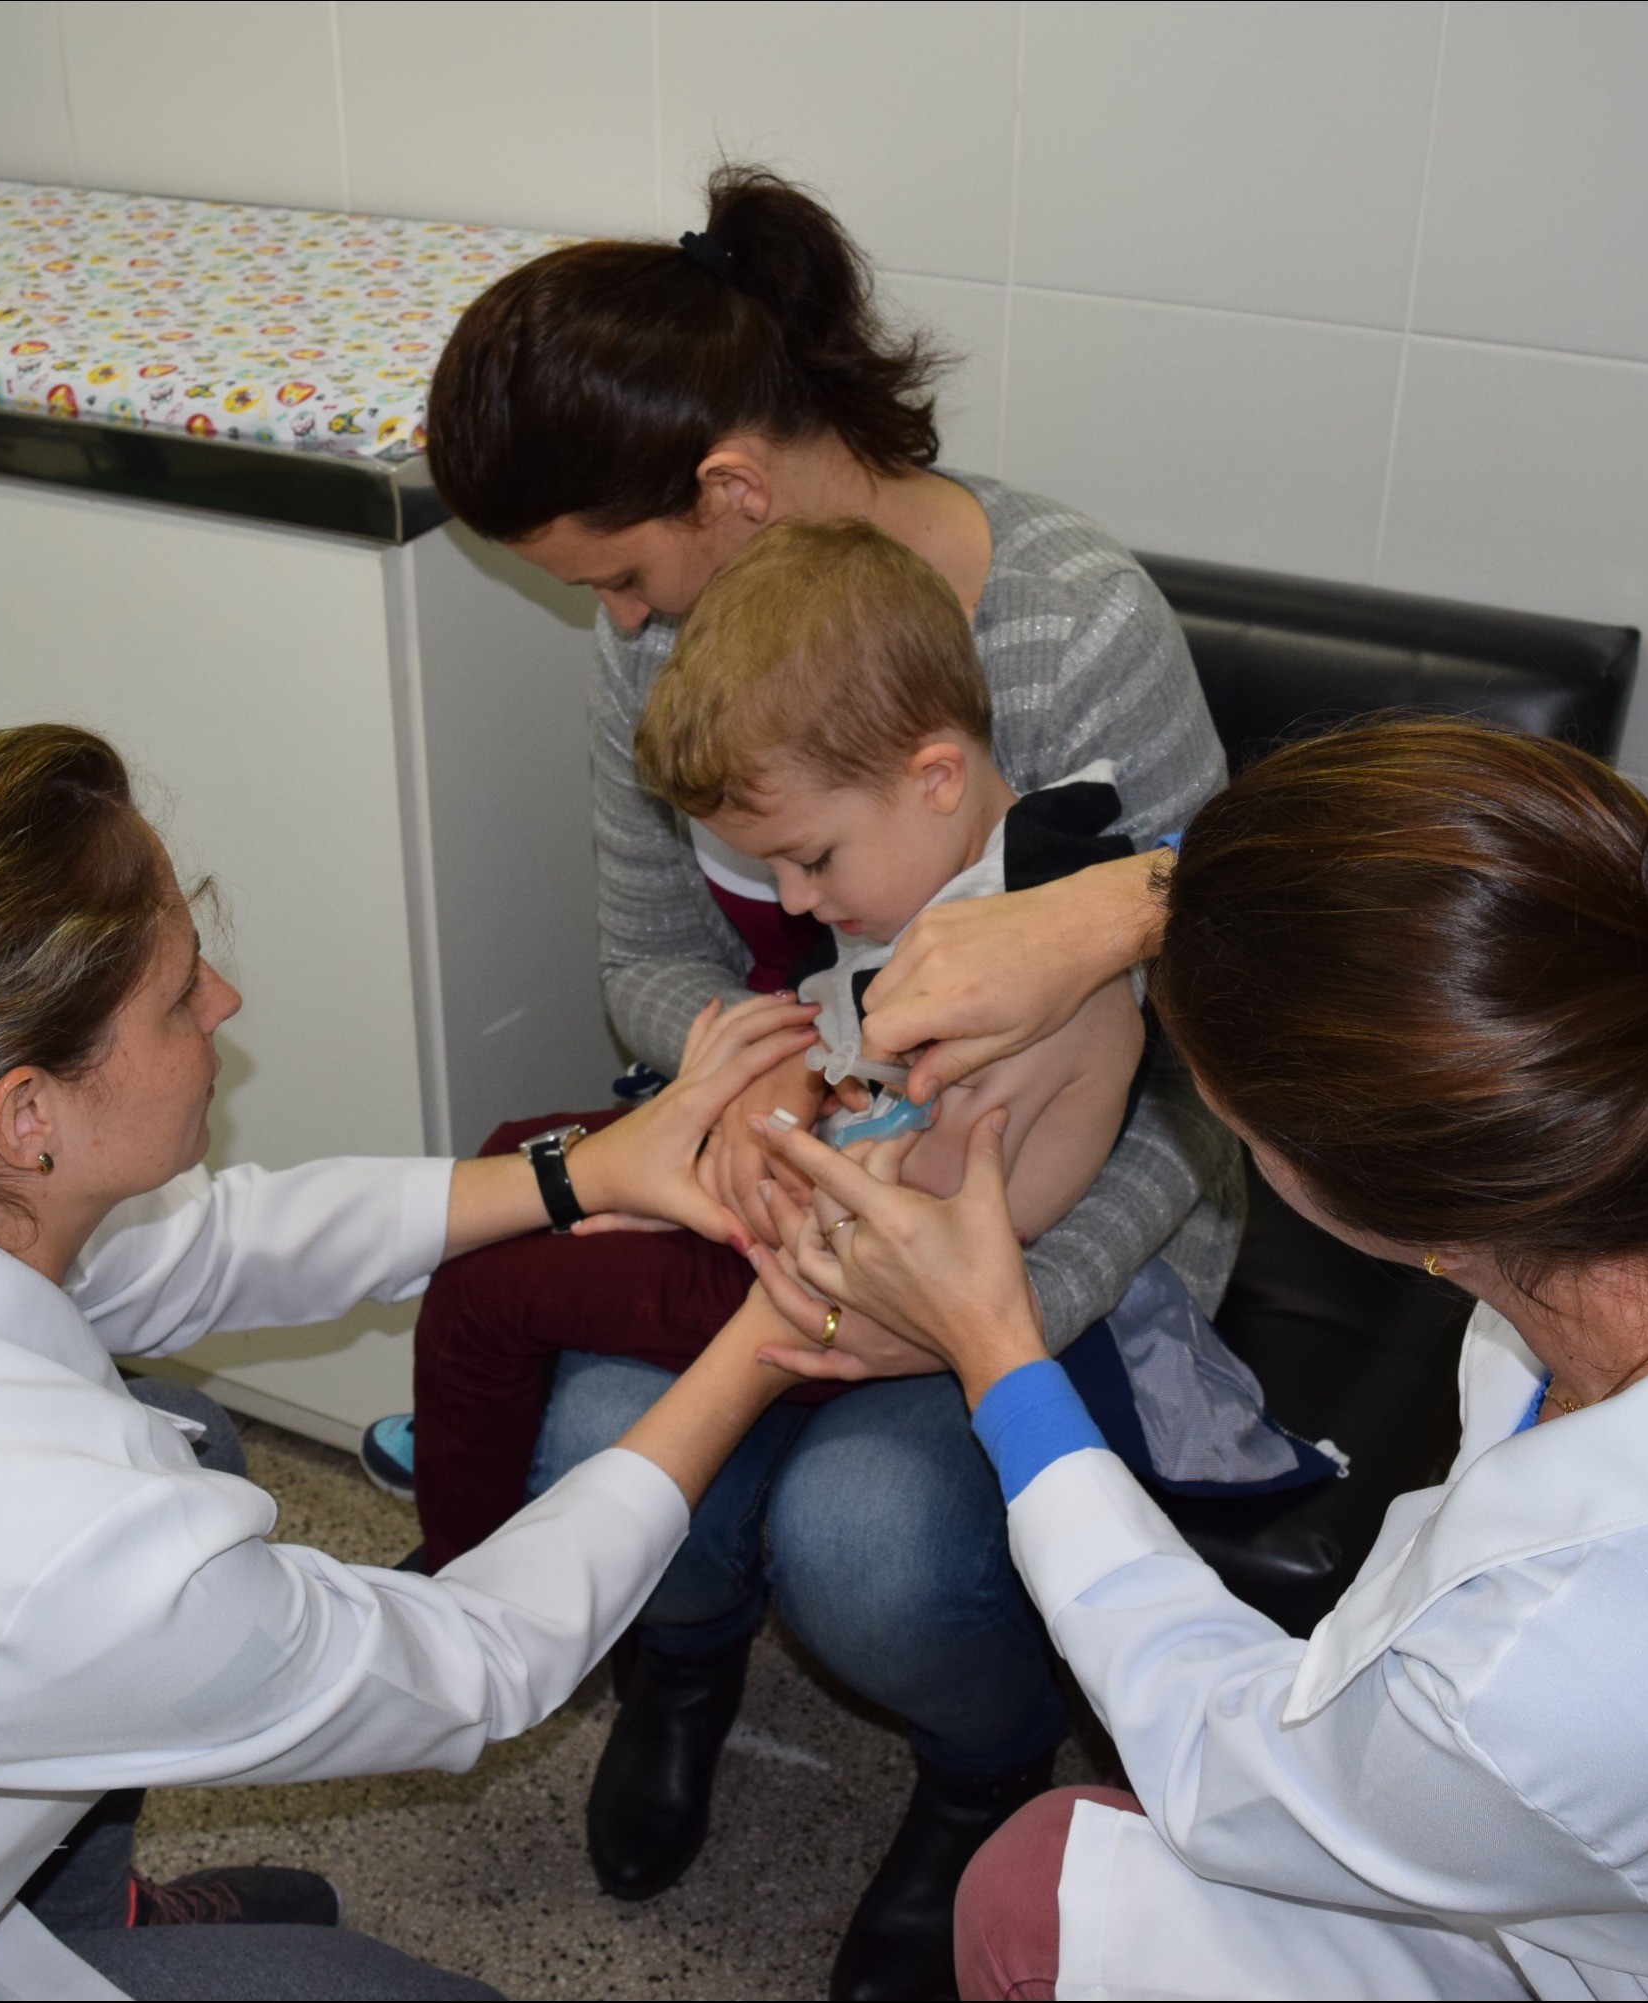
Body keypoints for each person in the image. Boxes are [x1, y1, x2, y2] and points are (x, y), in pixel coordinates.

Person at [0, 725, 829, 2002]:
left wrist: (575, 1170)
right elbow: (475, 1663)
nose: (223, 995)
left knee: (179, 1433)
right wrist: (755, 1345)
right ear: (24, 1115)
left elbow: (199, 1249)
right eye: (180, 994)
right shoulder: (40, 1541)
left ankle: (76, 1916)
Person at [752, 721, 1648, 2000]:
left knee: (1035, 1893)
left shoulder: (1562, 1659)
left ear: (1374, 1209)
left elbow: (1218, 1749)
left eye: (1234, 1123)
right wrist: (1123, 906)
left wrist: (993, 1343)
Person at [410, 164, 1239, 1995]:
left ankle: (975, 1775)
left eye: (622, 576)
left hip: (1069, 1205)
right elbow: (649, 963)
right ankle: (684, 1660)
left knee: (867, 1536)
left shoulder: (1067, 627)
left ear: (728, 489)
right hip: (804, 1170)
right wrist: (763, 1091)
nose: (621, 629)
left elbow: (1220, 1060)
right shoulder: (665, 656)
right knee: (596, 1460)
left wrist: (982, 1307)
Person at [412, 518, 1152, 1565]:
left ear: (936, 774)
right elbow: (848, 1082)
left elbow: (895, 1198)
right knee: (508, 1159)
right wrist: (755, 1109)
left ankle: (462, 1572)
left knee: (483, 1280)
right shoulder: (1007, 866)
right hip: (828, 1213)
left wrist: (721, 1162)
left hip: (858, 1275)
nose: (796, 900)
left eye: (811, 859)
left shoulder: (1009, 974)